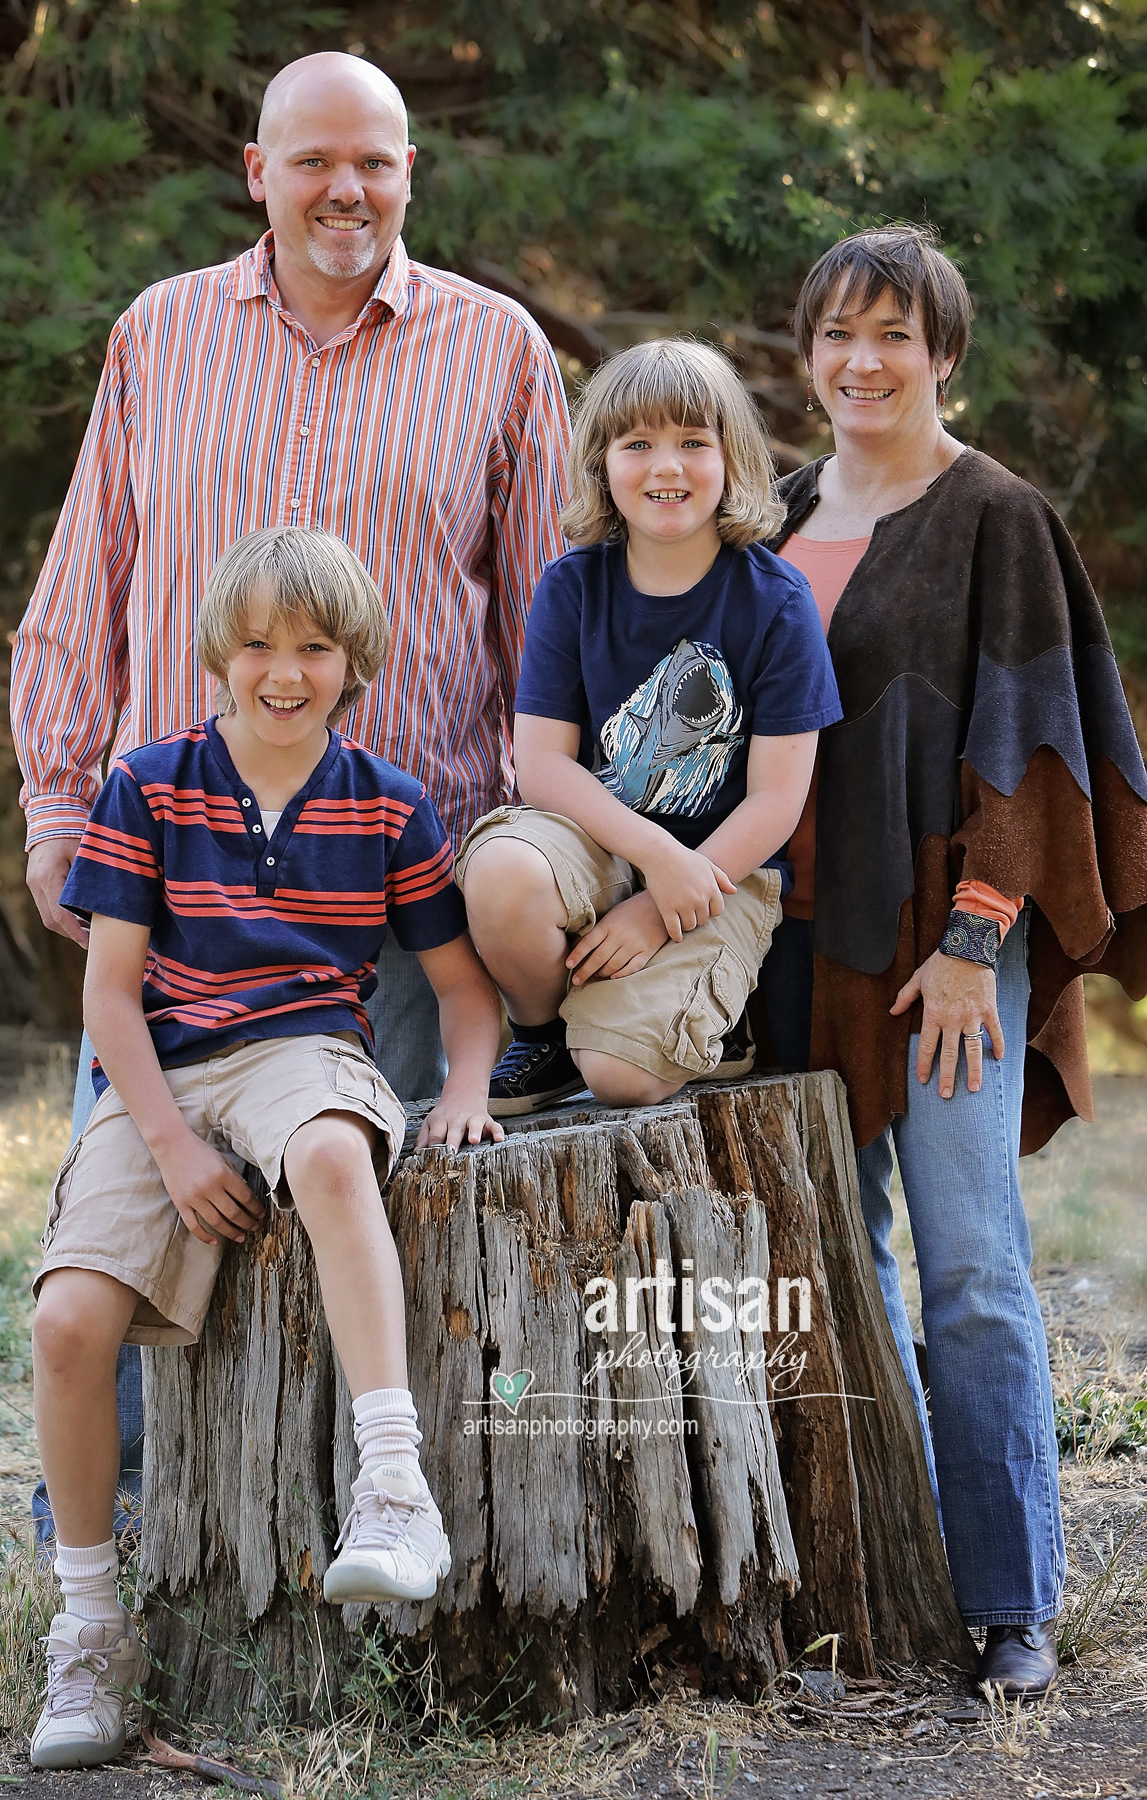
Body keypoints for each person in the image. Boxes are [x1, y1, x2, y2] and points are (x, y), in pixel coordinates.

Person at [11, 49, 568, 1544]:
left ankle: (378, 1549)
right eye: (314, 159)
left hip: (395, 895)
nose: (348, 188)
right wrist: (62, 812)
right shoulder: (162, 336)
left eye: (376, 161)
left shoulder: (497, 348)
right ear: (257, 172)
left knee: (371, 1238)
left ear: (408, 173)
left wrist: (562, 858)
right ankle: (120, 1579)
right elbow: (81, 595)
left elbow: (546, 635)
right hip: (167, 884)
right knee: (119, 1257)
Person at [28, 527, 504, 1770]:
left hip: (306, 1049)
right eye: (257, 644)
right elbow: (111, 995)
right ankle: (90, 1632)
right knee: (68, 1321)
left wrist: (461, 1085)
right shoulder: (149, 783)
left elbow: (462, 988)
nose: (283, 671)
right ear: (216, 656)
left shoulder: (390, 803)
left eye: (314, 646)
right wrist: (174, 1142)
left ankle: (394, 1488)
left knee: (339, 1159)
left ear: (357, 661)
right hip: (166, 1070)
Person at [759, 225, 1147, 1700]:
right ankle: (871, 1589)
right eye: (839, 335)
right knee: (832, 1269)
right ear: (807, 357)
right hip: (787, 952)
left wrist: (978, 942)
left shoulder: (997, 514)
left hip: (939, 958)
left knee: (971, 1268)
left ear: (943, 354)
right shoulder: (774, 512)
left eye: (895, 336)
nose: (864, 362)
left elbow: (1032, 745)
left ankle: (1008, 1606)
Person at [456, 339, 841, 1114]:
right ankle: (542, 1035)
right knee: (500, 872)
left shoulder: (778, 602)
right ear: (602, 465)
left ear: (732, 459)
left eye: (693, 443)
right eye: (638, 445)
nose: (667, 467)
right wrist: (651, 861)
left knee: (622, 1079)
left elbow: (775, 802)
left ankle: (712, 1026)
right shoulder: (571, 587)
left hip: (722, 870)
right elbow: (542, 765)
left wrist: (663, 896)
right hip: (602, 844)